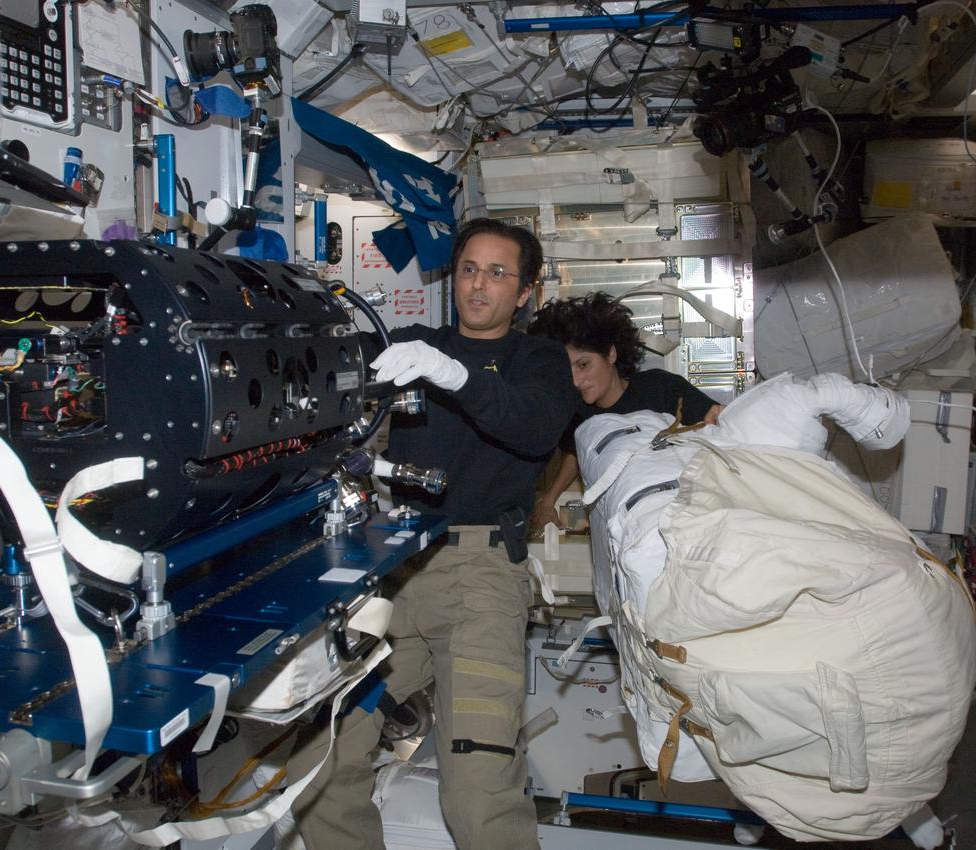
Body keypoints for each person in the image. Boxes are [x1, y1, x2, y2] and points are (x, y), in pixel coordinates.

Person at [289, 218, 576, 850]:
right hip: (393, 570)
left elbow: (532, 427)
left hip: (481, 580)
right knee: (320, 761)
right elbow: (326, 372)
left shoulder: (541, 361)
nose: (479, 285)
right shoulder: (411, 342)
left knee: (479, 791)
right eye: (470, 269)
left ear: (525, 292)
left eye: (499, 273)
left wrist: (453, 376)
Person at [526, 292, 722, 530]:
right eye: (567, 372)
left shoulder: (661, 388)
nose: (576, 381)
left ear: (610, 353)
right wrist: (549, 500)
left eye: (584, 364)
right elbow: (576, 454)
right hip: (622, 521)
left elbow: (717, 422)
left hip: (685, 509)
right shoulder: (577, 411)